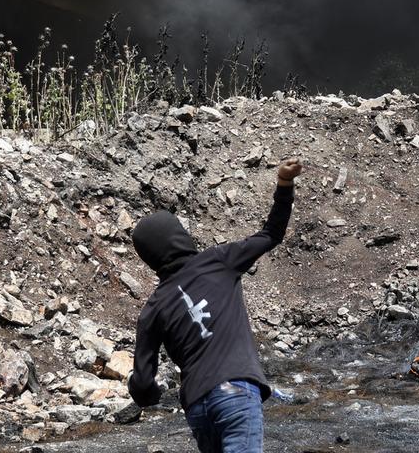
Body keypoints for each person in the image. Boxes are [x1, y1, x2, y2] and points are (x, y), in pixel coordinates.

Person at [128, 157, 304, 453]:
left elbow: (144, 384)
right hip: (237, 392)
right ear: (179, 236)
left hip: (197, 407)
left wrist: (150, 394)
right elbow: (271, 233)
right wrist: (284, 184)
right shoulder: (218, 261)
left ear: (149, 256)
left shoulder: (153, 309)